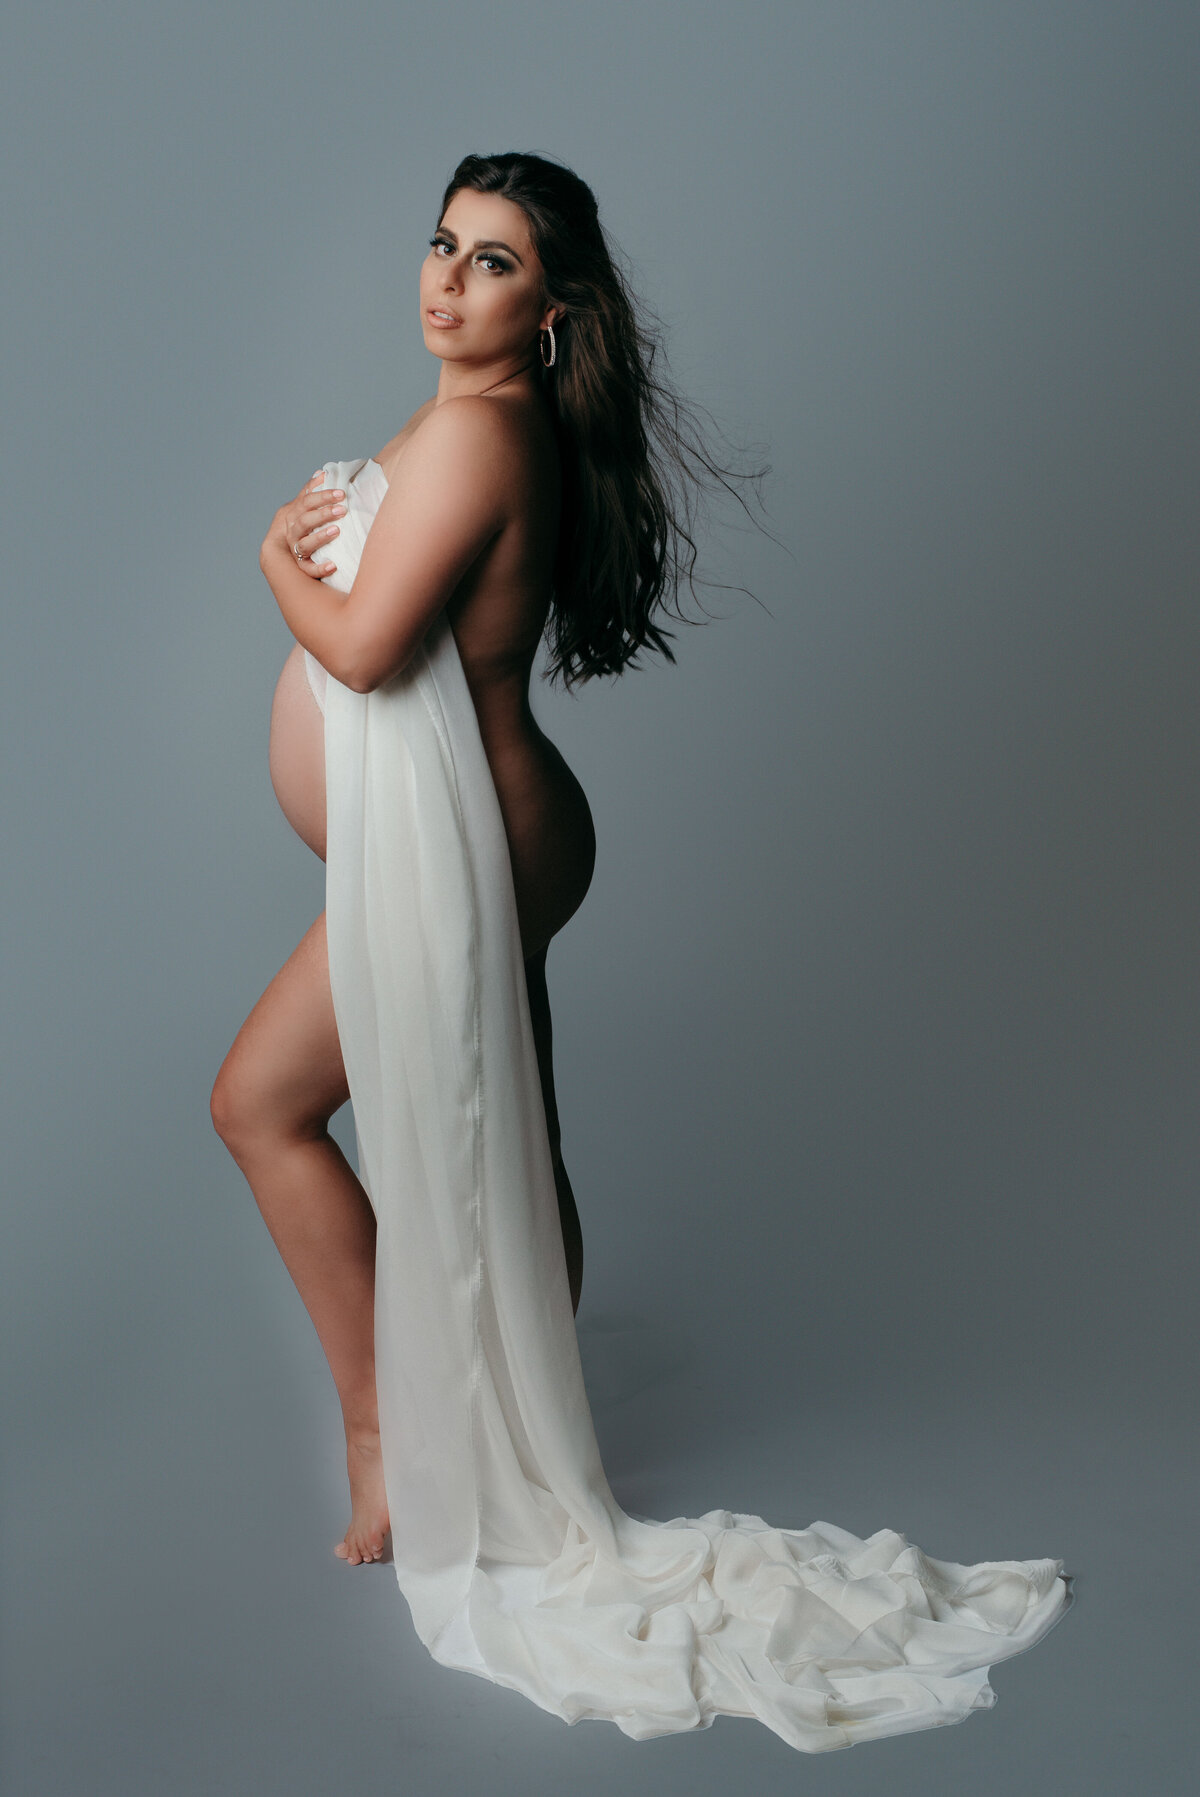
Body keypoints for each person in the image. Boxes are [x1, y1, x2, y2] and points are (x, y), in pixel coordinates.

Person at [210, 152, 1072, 1752]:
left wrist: (274, 553)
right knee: (511, 1147)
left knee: (266, 1105)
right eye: (443, 245)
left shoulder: (477, 432)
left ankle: (394, 1425)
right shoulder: (473, 411)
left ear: (551, 313)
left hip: (486, 846)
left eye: (492, 263)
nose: (448, 279)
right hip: (485, 837)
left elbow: (364, 644)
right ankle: (470, 1405)